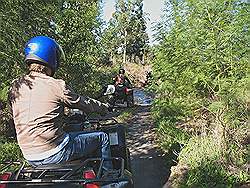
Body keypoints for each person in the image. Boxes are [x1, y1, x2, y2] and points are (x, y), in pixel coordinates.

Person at [9, 36, 112, 168]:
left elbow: (17, 116)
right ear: (51, 58)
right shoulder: (56, 85)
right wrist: (103, 108)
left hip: (28, 155)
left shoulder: (15, 86)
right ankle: (108, 175)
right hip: (55, 152)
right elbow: (83, 103)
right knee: (102, 137)